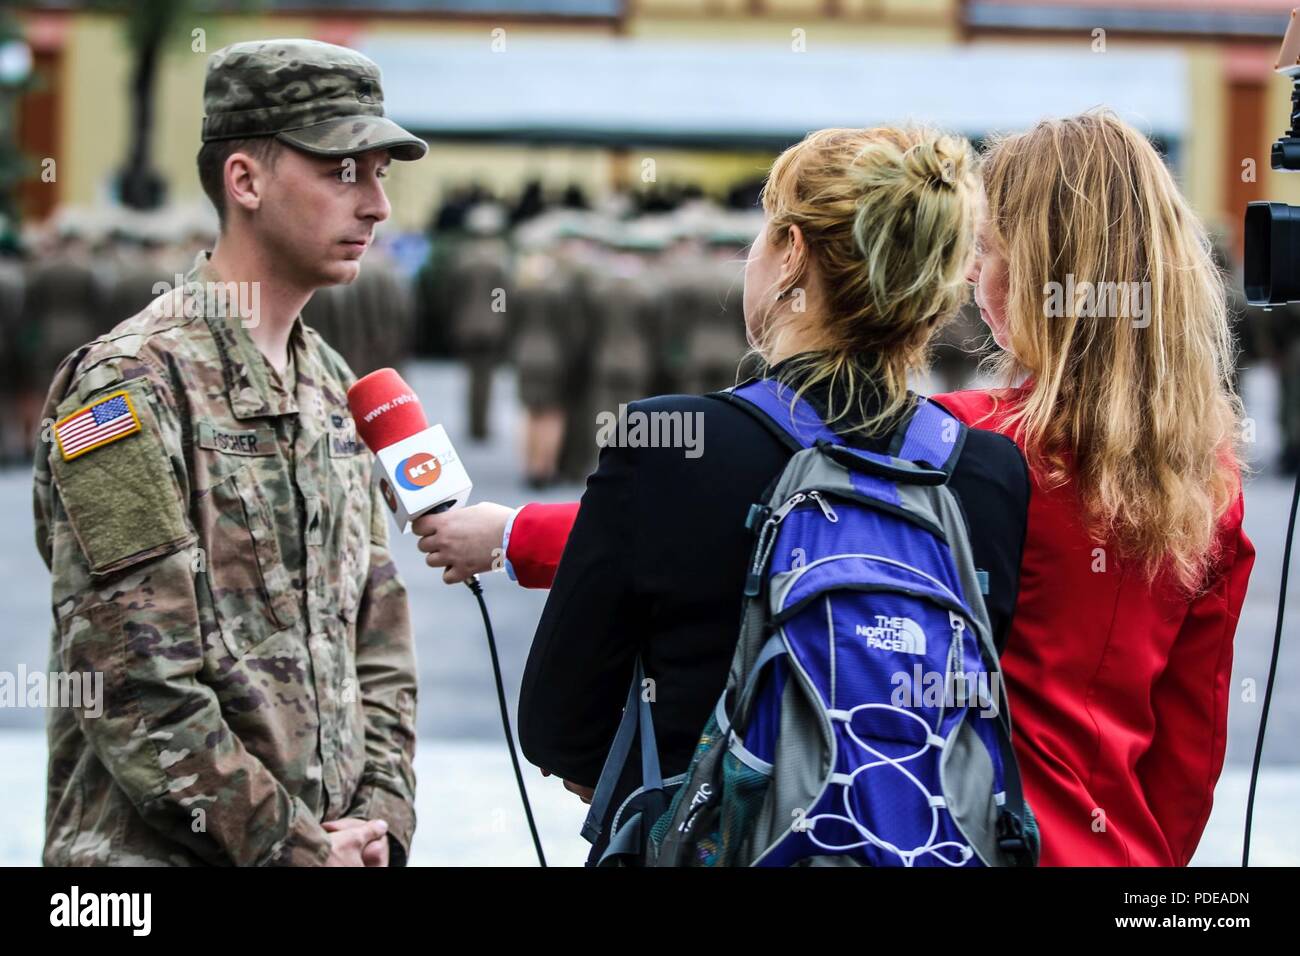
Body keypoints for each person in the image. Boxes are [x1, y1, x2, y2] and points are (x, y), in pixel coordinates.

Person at [422, 112, 1257, 868]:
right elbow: (1189, 754)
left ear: (1036, 275)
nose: (973, 277)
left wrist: (512, 534)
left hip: (943, 824)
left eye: (990, 254)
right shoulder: (1207, 479)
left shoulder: (978, 446)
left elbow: (734, 515)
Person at [33, 38, 425, 867]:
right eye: (342, 171)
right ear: (244, 181)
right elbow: (135, 682)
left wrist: (382, 819)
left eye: (381, 172)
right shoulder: (125, 390)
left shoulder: (333, 385)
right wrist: (294, 845)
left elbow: (380, 639)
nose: (377, 205)